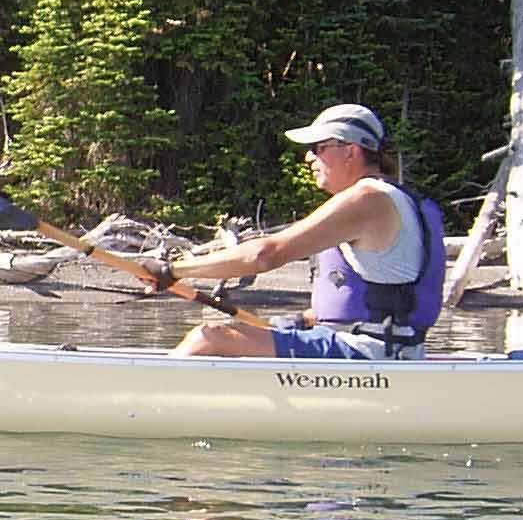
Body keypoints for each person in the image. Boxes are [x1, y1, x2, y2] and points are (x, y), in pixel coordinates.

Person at [139, 103, 445, 360]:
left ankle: (142, 406)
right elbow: (382, 299)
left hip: (368, 355)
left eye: (318, 148)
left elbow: (265, 254)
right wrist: (301, 320)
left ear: (351, 151)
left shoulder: (367, 199)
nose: (308, 158)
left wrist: (172, 270)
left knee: (210, 337)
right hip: (390, 350)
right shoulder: (402, 200)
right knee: (243, 334)